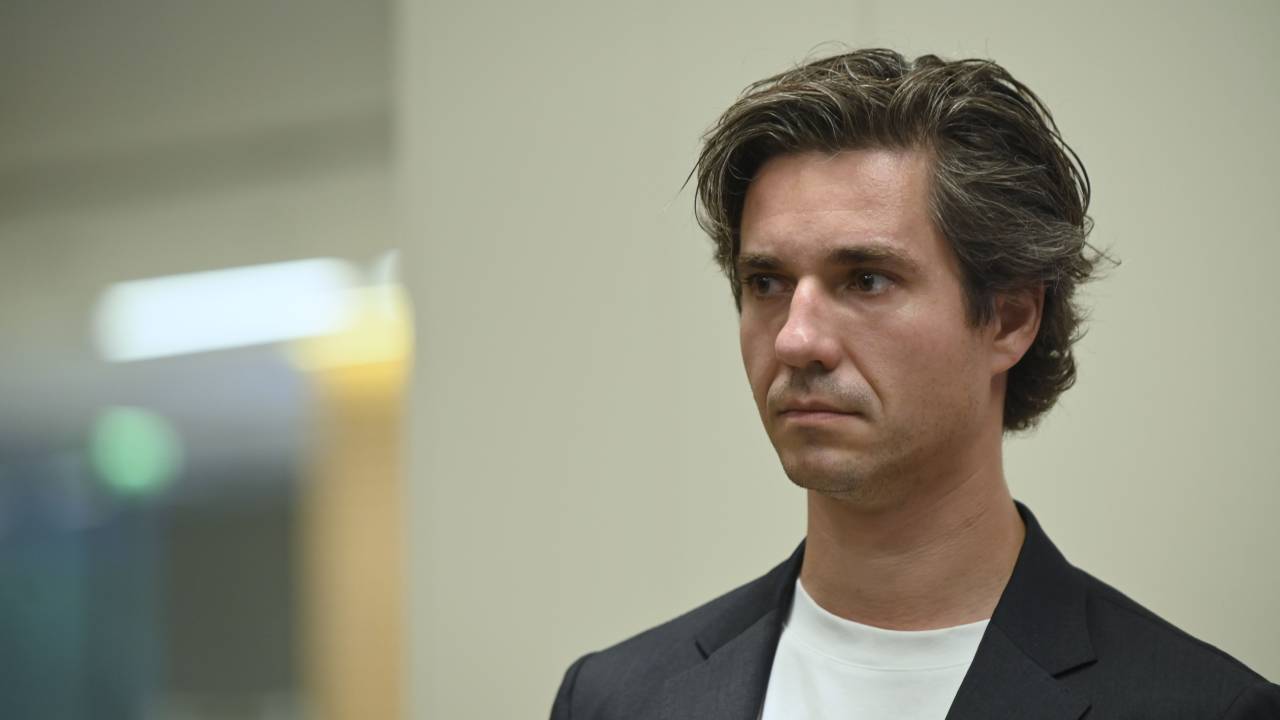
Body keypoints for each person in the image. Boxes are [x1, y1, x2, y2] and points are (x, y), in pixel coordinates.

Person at [549, 49, 1280, 719]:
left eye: (866, 279)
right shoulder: (616, 698)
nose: (796, 339)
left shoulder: (1206, 708)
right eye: (767, 282)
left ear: (1009, 318)